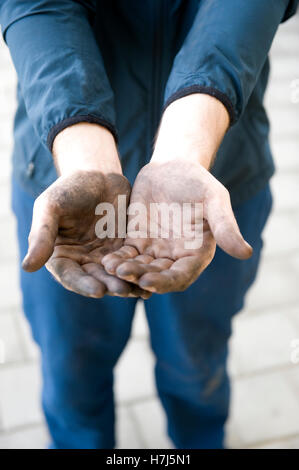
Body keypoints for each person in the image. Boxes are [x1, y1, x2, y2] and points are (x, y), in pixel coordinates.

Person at [0, 0, 297, 449]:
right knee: (71, 377)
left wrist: (187, 143)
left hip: (213, 186)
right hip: (65, 188)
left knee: (197, 371)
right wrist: (83, 150)